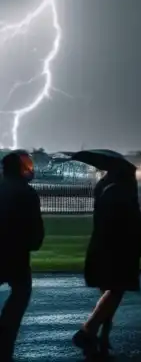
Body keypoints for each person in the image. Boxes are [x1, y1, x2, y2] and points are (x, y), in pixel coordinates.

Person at [73, 164, 141, 358]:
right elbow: (131, 224)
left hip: (105, 249)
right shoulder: (120, 194)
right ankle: (88, 330)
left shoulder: (105, 189)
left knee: (109, 294)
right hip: (117, 251)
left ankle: (100, 335)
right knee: (115, 291)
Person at [0, 152, 43, 361]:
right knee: (21, 292)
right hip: (16, 255)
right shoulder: (28, 194)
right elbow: (36, 235)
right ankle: (4, 342)